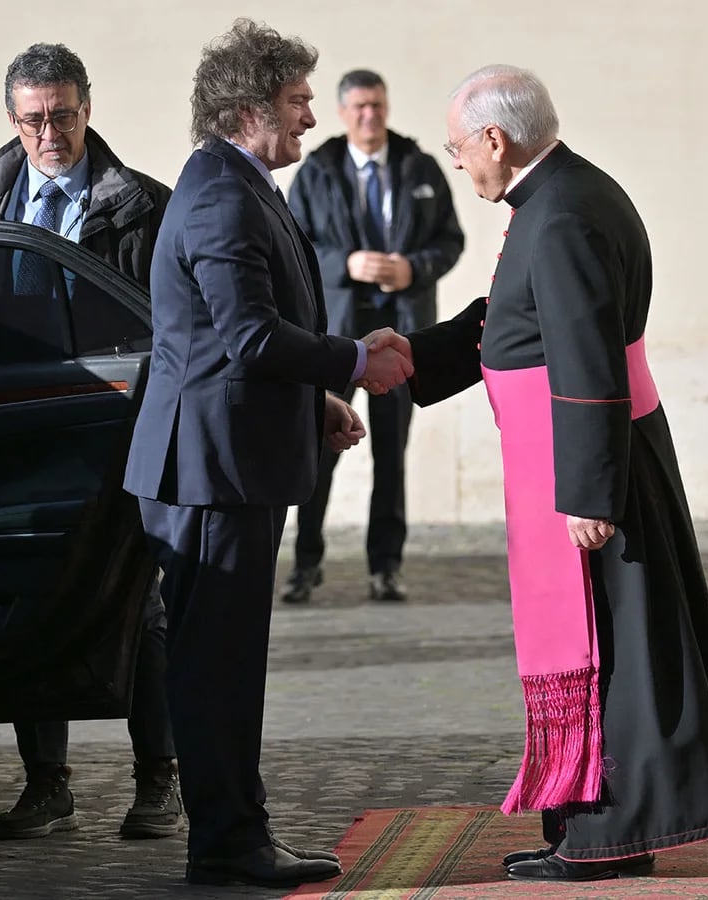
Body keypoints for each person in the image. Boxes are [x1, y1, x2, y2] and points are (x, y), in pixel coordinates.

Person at [369, 64, 708, 881]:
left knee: (608, 650)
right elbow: (514, 317)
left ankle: (604, 840)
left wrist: (586, 494)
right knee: (611, 648)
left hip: (587, 473)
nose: (459, 162)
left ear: (495, 140)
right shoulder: (555, 199)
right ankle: (591, 830)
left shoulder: (563, 214)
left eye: (458, 147)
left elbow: (583, 355)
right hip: (583, 460)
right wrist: (420, 354)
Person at [123, 19, 412, 889]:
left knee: (228, 659)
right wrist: (354, 361)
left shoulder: (240, 181)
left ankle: (235, 832)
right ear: (246, 108)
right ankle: (227, 843)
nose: (311, 119)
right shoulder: (219, 193)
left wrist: (313, 394)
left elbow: (232, 336)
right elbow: (248, 336)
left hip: (231, 456)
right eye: (296, 103)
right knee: (216, 665)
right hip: (208, 472)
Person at [0, 42, 182, 843]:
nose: (49, 134)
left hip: (117, 430)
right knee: (32, 593)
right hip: (18, 429)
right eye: (33, 120)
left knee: (142, 607)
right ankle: (47, 785)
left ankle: (157, 782)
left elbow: (169, 324)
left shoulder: (141, 204)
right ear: (13, 120)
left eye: (62, 115)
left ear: (87, 108)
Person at [282, 69, 464, 604]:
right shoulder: (317, 171)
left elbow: (450, 241)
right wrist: (346, 263)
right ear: (343, 112)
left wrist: (412, 269)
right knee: (322, 451)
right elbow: (294, 244)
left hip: (402, 333)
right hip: (337, 335)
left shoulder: (419, 166)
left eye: (377, 106)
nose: (370, 115)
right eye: (360, 106)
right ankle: (305, 565)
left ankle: (386, 567)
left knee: (391, 454)